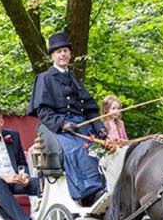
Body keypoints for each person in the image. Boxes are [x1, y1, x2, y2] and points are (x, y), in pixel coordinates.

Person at [27, 32, 107, 205]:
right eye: (58, 52)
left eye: (65, 51)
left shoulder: (74, 79)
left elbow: (90, 109)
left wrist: (99, 127)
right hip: (57, 127)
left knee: (102, 149)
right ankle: (90, 192)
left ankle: (106, 189)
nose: (62, 54)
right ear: (52, 56)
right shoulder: (44, 79)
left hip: (82, 125)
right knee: (80, 148)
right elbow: (43, 111)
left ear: (70, 54)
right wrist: (62, 124)